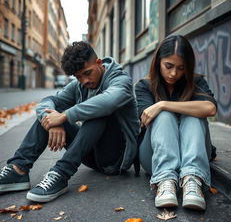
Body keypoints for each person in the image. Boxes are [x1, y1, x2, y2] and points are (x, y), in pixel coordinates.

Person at [0, 41, 140, 202]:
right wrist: (55, 122)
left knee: (99, 112)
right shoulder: (79, 86)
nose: (84, 81)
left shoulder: (121, 80)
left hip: (116, 158)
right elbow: (48, 100)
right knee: (49, 113)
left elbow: (110, 100)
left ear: (99, 62)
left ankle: (60, 173)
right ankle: (18, 169)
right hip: (91, 156)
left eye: (87, 73)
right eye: (79, 77)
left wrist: (65, 115)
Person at [135, 35, 217, 211]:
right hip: (154, 156)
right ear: (158, 61)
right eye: (169, 66)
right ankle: (165, 180)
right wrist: (163, 110)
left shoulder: (195, 81)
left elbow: (210, 108)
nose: (174, 73)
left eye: (181, 68)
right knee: (163, 116)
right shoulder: (144, 86)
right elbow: (146, 118)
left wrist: (163, 104)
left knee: (193, 115)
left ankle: (193, 179)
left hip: (193, 152)